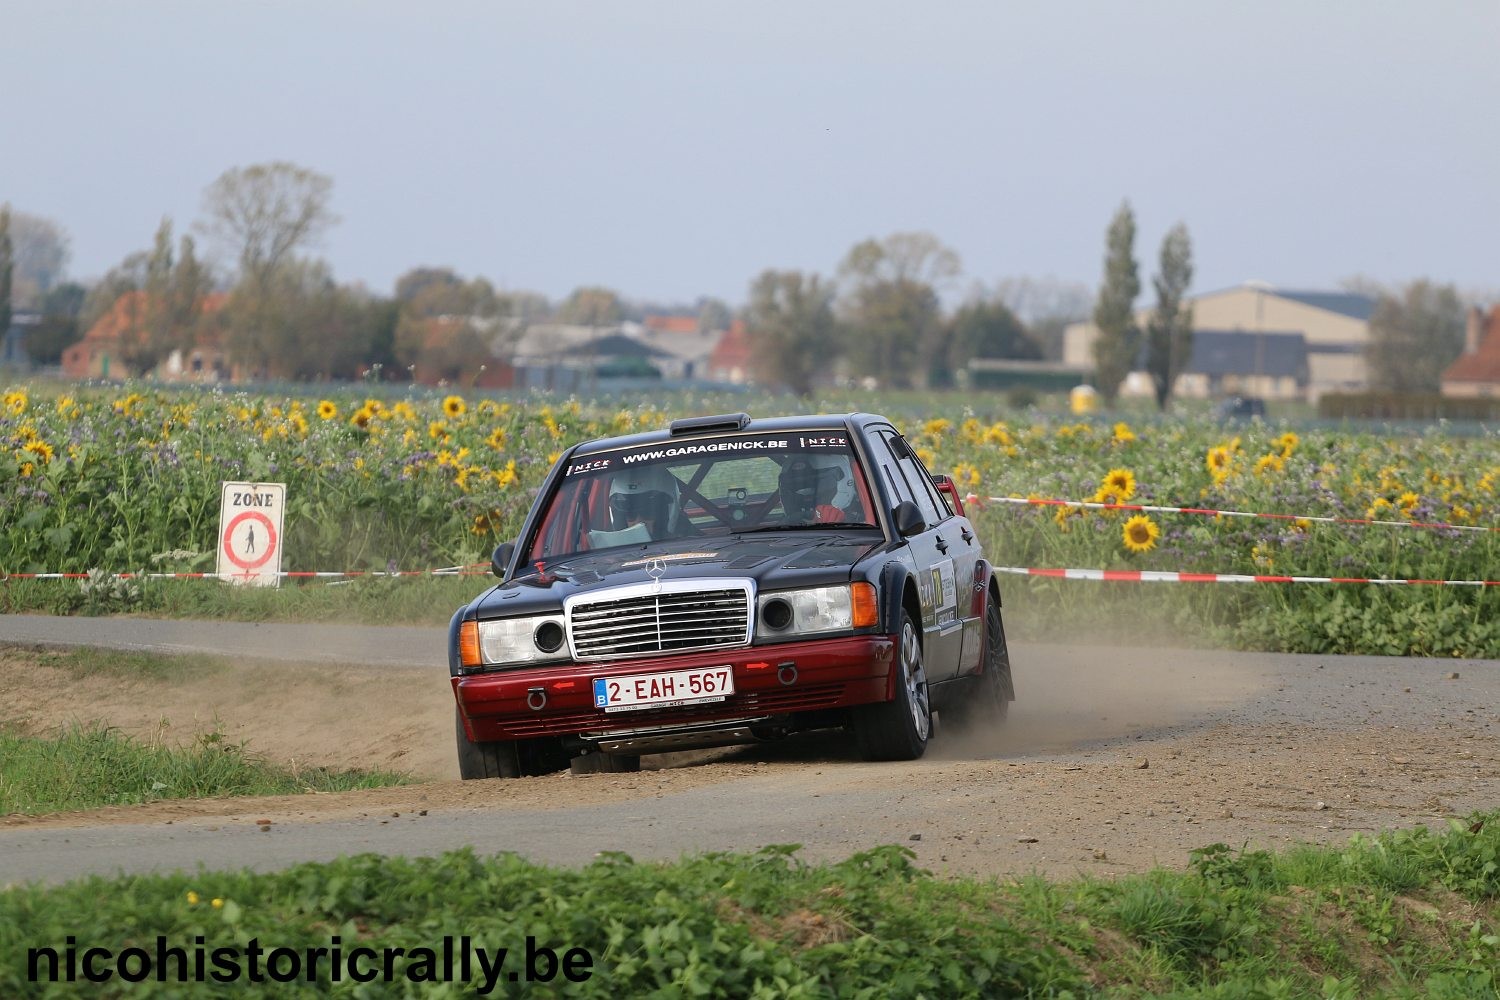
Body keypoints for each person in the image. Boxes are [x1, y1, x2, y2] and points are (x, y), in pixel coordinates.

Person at [603, 466, 682, 540]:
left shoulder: (688, 543)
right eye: (630, 514)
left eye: (647, 513)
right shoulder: (608, 548)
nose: (639, 522)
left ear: (664, 514)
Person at [778, 454, 859, 524]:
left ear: (846, 483)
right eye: (793, 486)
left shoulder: (861, 526)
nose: (806, 496)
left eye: (816, 486)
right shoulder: (779, 530)